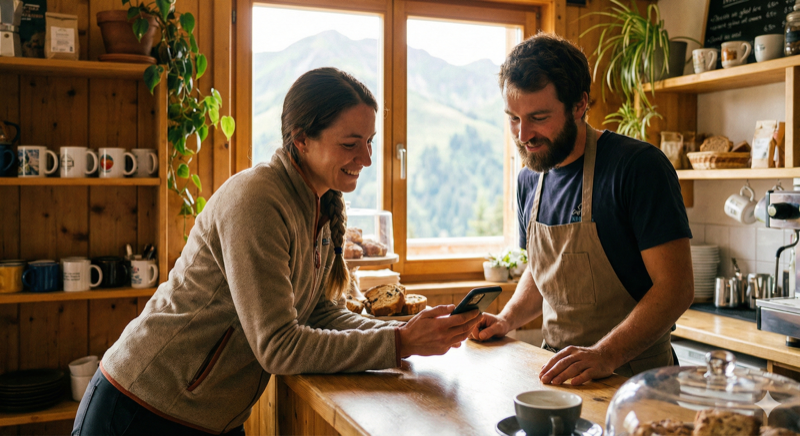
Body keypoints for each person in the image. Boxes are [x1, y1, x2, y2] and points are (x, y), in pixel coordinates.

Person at [72, 67, 481, 436]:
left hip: (209, 416)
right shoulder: (258, 200)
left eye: (370, 141)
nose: (368, 158)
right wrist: (400, 344)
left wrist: (406, 334)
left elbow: (316, 312)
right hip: (142, 410)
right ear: (301, 139)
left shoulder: (316, 203)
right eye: (351, 143)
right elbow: (279, 346)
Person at [470, 33, 694, 385]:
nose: (523, 134)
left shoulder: (637, 168)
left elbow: (676, 288)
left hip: (637, 380)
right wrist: (507, 318)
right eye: (513, 118)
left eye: (538, 117)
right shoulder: (530, 179)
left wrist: (605, 354)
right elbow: (543, 271)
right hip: (556, 373)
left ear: (579, 105)